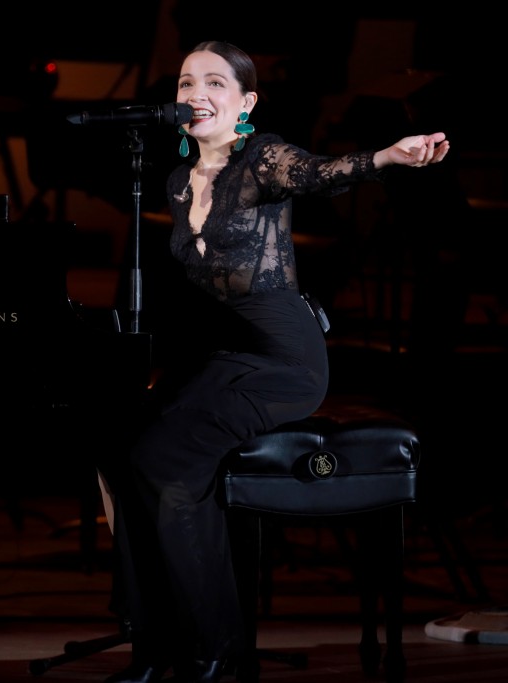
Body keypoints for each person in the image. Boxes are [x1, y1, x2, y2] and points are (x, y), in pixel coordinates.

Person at [97, 40, 449, 683]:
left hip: (284, 358)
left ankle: (212, 646)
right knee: (124, 453)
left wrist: (387, 157)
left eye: (214, 83)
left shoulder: (260, 159)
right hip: (223, 352)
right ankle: (154, 645)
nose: (194, 93)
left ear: (246, 102)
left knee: (170, 461)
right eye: (184, 83)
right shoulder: (177, 183)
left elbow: (321, 173)